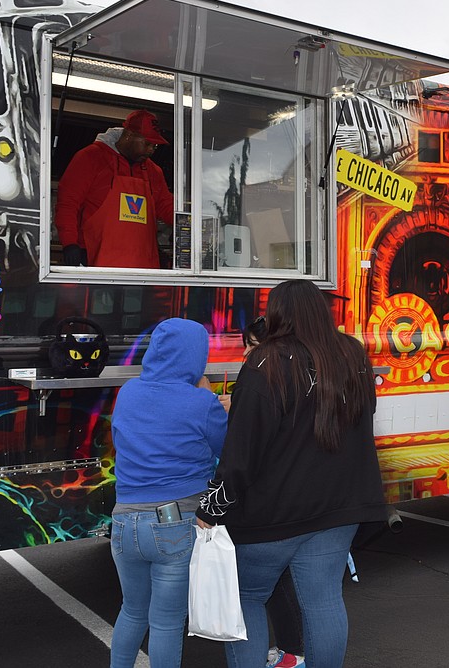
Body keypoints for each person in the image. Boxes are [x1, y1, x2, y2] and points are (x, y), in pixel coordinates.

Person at [197, 280, 386, 668]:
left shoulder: (264, 361)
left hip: (272, 514)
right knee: (323, 601)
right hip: (339, 507)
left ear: (279, 312)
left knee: (247, 597)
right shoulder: (352, 353)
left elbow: (242, 450)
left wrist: (211, 507)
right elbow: (364, 420)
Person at [109, 317, 228, 668]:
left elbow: (121, 439)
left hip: (124, 521)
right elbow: (226, 451)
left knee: (132, 611)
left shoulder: (127, 392)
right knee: (166, 621)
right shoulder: (201, 403)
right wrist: (206, 396)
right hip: (175, 523)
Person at [241, 317, 306, 668]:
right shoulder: (299, 377)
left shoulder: (265, 381)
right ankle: (294, 651)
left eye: (254, 345)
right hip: (293, 501)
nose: (247, 352)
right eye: (247, 344)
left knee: (260, 588)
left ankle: (293, 653)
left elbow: (245, 453)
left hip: (273, 506)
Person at [55, 109, 175, 269]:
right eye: (147, 144)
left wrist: (187, 225)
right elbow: (68, 204)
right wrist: (69, 243)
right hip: (96, 262)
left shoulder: (154, 171)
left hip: (143, 266)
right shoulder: (90, 158)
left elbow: (166, 206)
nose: (151, 150)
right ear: (128, 136)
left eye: (154, 146)